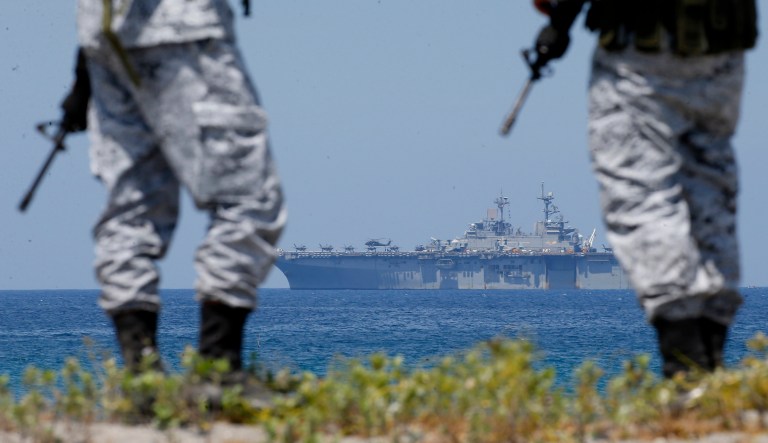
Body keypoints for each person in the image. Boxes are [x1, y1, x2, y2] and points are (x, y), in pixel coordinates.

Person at [531, 0, 758, 377]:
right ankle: (712, 360)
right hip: (724, 43)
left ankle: (686, 369)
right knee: (708, 186)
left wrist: (559, 18)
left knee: (641, 193)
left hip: (641, 42)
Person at [61, 0, 286, 376]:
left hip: (102, 36)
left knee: (131, 208)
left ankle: (141, 377)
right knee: (248, 198)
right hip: (183, 26)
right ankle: (219, 370)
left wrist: (85, 62)